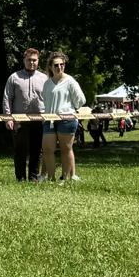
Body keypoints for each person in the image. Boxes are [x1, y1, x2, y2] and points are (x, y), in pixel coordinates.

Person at [38, 52, 87, 181]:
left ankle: (64, 179)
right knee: (47, 149)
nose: (59, 67)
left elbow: (81, 100)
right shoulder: (47, 83)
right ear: (50, 67)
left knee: (66, 149)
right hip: (49, 119)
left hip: (67, 119)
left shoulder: (70, 81)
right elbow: (45, 101)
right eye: (56, 65)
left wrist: (70, 109)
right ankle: (51, 178)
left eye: (62, 64)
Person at [1, 48, 48, 181]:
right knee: (20, 151)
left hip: (39, 120)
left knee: (36, 151)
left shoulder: (44, 78)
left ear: (38, 61)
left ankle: (33, 178)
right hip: (19, 120)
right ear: (24, 60)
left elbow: (49, 99)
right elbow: (7, 98)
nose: (32, 62)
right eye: (29, 60)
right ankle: (20, 178)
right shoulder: (14, 78)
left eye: (34, 60)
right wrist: (8, 118)